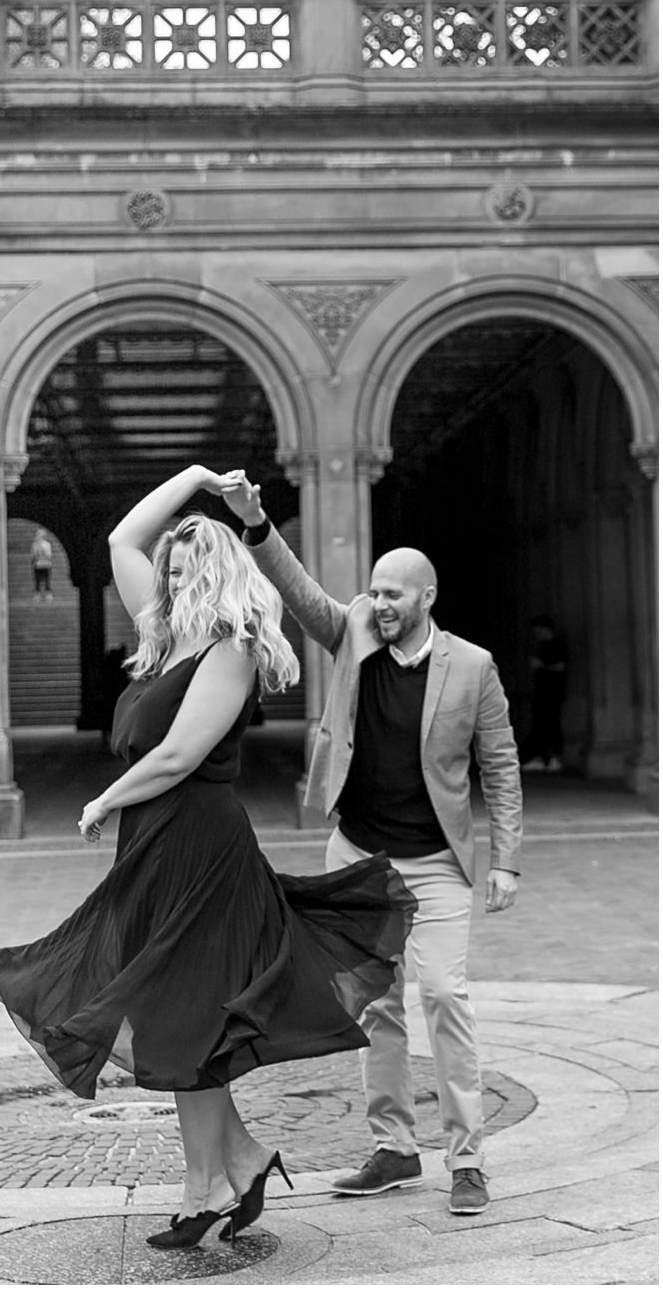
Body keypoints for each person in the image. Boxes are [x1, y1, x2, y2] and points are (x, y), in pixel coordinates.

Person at [0, 466, 413, 1250]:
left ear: (217, 574)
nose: (173, 579)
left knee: (182, 1022)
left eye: (187, 569)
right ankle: (237, 1166)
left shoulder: (232, 647)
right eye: (169, 569)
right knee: (181, 1024)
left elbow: (182, 754)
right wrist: (194, 480)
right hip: (156, 853)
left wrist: (104, 798)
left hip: (203, 855)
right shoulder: (163, 632)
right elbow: (121, 537)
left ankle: (209, 1183)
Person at [224, 473, 523, 1217]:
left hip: (437, 861)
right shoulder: (353, 630)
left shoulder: (475, 667)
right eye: (375, 592)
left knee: (445, 995)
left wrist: (507, 859)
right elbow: (301, 594)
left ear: (427, 598)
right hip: (357, 854)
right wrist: (257, 525)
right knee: (376, 1007)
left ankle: (467, 1159)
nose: (380, 604)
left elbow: (501, 765)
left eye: (395, 594)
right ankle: (394, 1147)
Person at [520, 615, 567, 773]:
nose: (536, 634)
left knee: (552, 723)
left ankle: (555, 757)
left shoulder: (557, 644)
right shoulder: (544, 645)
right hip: (542, 691)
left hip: (553, 691)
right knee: (540, 724)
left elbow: (560, 667)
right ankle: (540, 757)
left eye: (538, 631)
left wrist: (541, 665)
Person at [31, 527, 55, 596]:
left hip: (46, 564)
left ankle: (48, 594)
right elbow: (33, 555)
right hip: (38, 565)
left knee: (47, 580)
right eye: (37, 535)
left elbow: (49, 555)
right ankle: (37, 594)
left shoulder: (47, 544)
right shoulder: (34, 545)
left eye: (39, 535)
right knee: (37, 580)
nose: (38, 536)